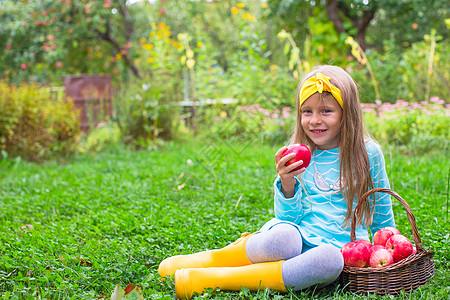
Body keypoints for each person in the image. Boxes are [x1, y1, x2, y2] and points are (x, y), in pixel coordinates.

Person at [158, 65, 395, 299]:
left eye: (326, 111)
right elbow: (288, 220)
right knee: (286, 238)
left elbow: (382, 207)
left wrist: (390, 242)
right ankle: (210, 260)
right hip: (297, 234)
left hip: (337, 246)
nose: (314, 121)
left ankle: (213, 279)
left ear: (347, 113)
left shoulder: (367, 152)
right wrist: (287, 182)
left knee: (331, 261)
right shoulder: (300, 153)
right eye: (307, 111)